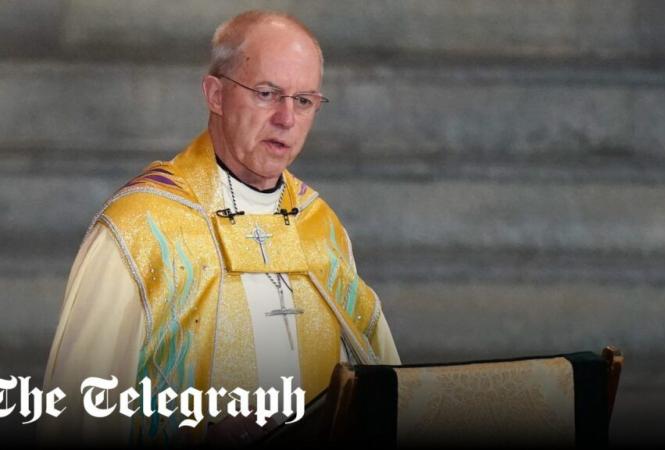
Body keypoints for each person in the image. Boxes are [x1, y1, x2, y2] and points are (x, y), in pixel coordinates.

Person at [38, 10, 400, 448]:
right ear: (215, 94)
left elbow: (384, 388)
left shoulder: (318, 226)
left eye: (304, 101)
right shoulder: (142, 228)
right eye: (268, 93)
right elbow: (81, 412)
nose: (287, 118)